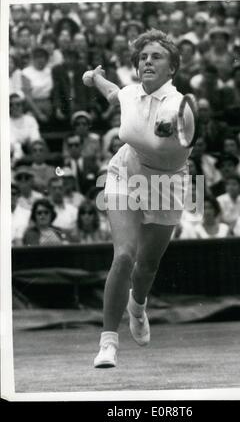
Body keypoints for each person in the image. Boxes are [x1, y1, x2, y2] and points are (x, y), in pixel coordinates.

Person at [83, 29, 194, 368]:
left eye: (156, 56)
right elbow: (115, 94)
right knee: (124, 257)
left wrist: (173, 127)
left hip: (168, 184)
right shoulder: (130, 93)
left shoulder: (179, 103)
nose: (147, 61)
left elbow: (187, 122)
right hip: (125, 172)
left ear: (172, 68)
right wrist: (94, 79)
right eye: (143, 56)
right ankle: (108, 343)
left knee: (147, 267)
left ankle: (138, 306)